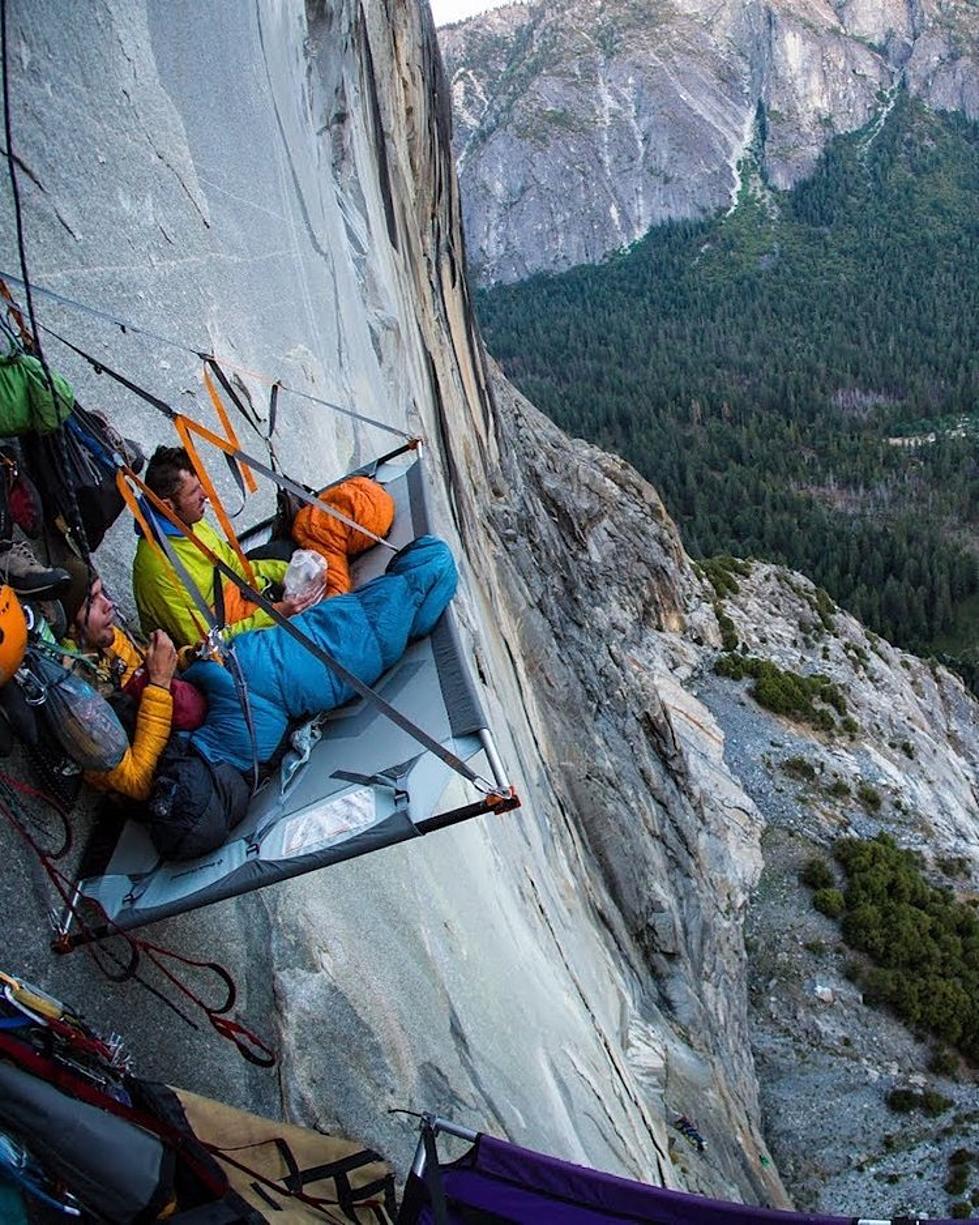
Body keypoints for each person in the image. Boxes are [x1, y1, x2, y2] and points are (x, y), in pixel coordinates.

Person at [132, 446, 324, 648]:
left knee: (288, 553)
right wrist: (274, 615)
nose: (205, 494)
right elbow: (206, 644)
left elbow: (236, 569)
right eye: (194, 491)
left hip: (241, 601)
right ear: (168, 506)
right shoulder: (159, 570)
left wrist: (287, 573)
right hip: (227, 638)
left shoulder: (189, 522)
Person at [62, 571, 178, 802]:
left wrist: (186, 657)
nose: (109, 605)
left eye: (103, 593)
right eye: (92, 602)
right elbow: (137, 782)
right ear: (72, 628)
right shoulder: (75, 697)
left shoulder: (106, 640)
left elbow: (140, 673)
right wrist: (160, 684)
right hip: (167, 789)